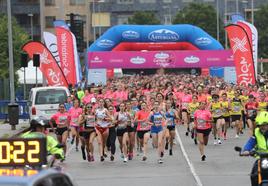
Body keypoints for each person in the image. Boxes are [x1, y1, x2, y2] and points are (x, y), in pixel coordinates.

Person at [240, 111, 268, 186]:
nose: (262, 127)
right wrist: (246, 150)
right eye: (260, 125)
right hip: (261, 159)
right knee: (254, 175)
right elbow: (251, 142)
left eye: (264, 125)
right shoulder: (256, 132)